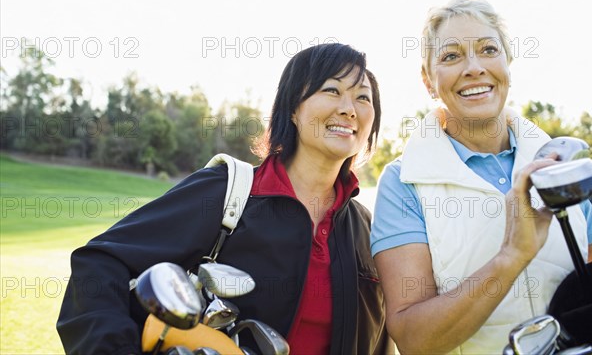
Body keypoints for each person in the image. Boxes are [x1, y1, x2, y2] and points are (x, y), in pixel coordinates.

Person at [57, 43, 393, 355]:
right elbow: (98, 266)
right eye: (332, 90)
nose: (349, 109)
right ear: (293, 108)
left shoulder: (369, 229)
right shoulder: (226, 192)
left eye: (363, 98)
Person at [370, 0, 592, 354]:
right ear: (428, 80)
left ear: (508, 62)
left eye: (488, 49)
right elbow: (414, 339)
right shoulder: (403, 184)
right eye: (450, 56)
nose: (474, 67)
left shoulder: (563, 166)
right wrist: (511, 257)